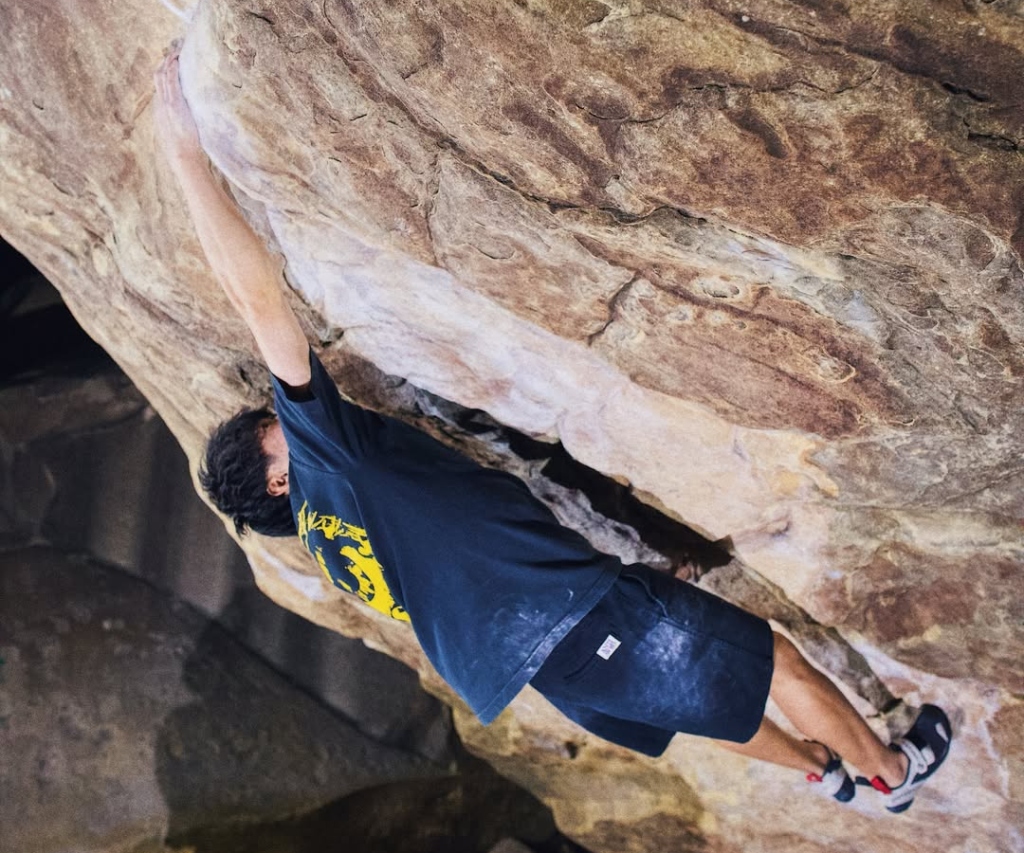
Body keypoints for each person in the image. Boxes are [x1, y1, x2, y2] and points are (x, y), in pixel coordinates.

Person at [153, 43, 951, 813]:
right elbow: (259, 306)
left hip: (554, 652)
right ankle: (888, 772)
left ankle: (826, 775)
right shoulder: (333, 465)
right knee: (770, 658)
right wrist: (188, 158)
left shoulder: (331, 543)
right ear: (281, 477)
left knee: (695, 698)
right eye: (275, 429)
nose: (288, 417)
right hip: (573, 622)